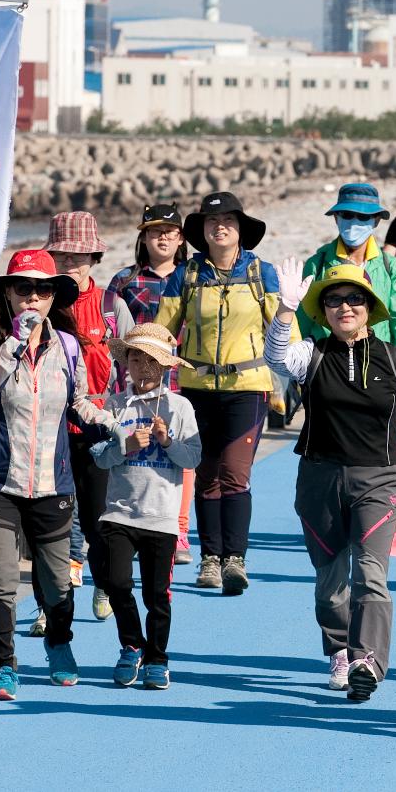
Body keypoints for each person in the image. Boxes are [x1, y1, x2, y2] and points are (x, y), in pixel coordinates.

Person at [266, 262, 396, 702]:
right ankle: (339, 651)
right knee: (330, 585)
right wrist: (286, 309)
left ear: (370, 308)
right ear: (323, 310)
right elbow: (275, 357)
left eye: (354, 299)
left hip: (380, 479)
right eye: (333, 300)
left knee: (370, 573)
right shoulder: (311, 354)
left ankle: (367, 659)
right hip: (319, 480)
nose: (344, 307)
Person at [0, 249, 122, 700]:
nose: (33, 297)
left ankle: (58, 644)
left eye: (43, 289)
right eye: (24, 288)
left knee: (56, 582)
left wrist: (113, 423)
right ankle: (2, 665)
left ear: (54, 297)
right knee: (0, 580)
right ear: (9, 295)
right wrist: (13, 345)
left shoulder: (67, 346)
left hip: (53, 482)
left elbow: (78, 401)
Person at [155, 192, 293, 594]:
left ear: (240, 229)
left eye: (229, 220)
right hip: (197, 389)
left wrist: (298, 373)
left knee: (234, 474)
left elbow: (283, 330)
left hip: (247, 388)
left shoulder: (261, 273)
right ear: (201, 231)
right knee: (206, 476)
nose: (220, 227)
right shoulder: (187, 275)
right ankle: (210, 559)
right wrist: (151, 378)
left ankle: (236, 559)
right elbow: (164, 332)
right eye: (212, 221)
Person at [91, 324, 202, 691]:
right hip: (119, 512)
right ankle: (130, 645)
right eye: (134, 358)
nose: (141, 366)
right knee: (116, 583)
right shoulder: (115, 405)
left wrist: (166, 441)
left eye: (149, 359)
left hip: (161, 516)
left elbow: (192, 459)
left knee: (157, 594)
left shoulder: (179, 406)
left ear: (165, 366)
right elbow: (101, 460)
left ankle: (157, 657)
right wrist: (126, 446)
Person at [103, 204, 195, 571]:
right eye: (155, 231)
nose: (163, 237)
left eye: (170, 231)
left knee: (180, 454)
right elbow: (113, 333)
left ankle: (179, 528)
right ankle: (133, 522)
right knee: (134, 451)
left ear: (181, 238)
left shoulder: (193, 277)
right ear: (143, 237)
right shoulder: (124, 281)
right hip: (132, 380)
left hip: (179, 380)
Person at [40, 211, 115, 630]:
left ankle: (105, 582)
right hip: (47, 422)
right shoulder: (41, 300)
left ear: (93, 256)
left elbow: (129, 364)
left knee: (97, 515)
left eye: (79, 254)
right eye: (63, 254)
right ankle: (51, 605)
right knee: (51, 517)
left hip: (96, 423)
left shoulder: (109, 304)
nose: (71, 262)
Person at [298, 183, 396, 362]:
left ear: (376, 220)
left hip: (377, 361)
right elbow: (303, 318)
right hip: (328, 361)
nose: (354, 222)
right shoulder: (317, 264)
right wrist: (298, 364)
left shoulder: (389, 266)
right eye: (347, 215)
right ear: (336, 218)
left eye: (363, 216)